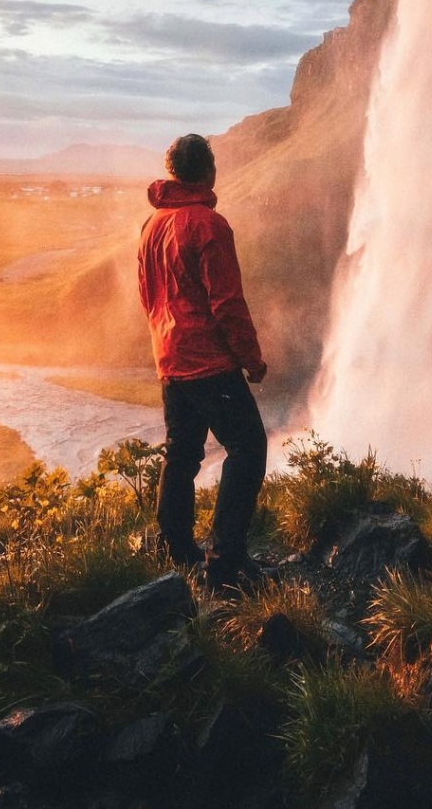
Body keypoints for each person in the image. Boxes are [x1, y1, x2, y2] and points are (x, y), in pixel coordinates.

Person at [137, 133, 268, 590]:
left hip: (170, 358)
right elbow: (227, 303)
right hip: (209, 361)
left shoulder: (152, 227)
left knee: (183, 453)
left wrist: (164, 341)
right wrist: (251, 360)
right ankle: (224, 562)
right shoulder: (209, 225)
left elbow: (147, 296)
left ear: (174, 173)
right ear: (209, 172)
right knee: (248, 450)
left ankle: (174, 548)